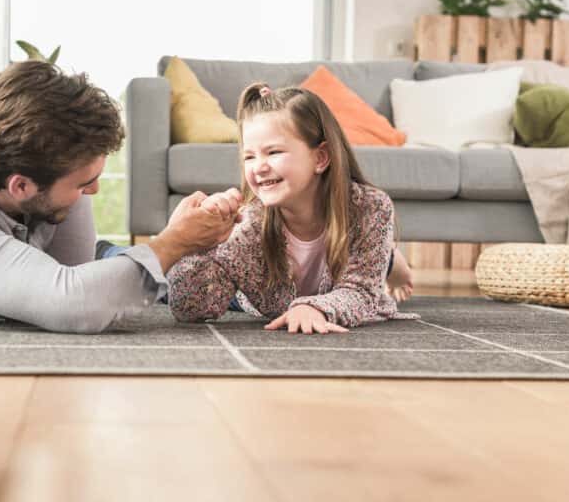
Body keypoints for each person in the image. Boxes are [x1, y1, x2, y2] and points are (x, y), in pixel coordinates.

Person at [0, 60, 239, 333]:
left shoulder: (50, 163)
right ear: (21, 186)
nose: (95, 190)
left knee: (101, 265)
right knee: (107, 274)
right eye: (84, 184)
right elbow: (75, 304)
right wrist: (174, 243)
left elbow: (71, 269)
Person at [167, 83, 415, 334]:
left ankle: (390, 258)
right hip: (255, 295)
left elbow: (360, 291)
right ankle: (388, 256)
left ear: (320, 158)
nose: (258, 167)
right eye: (249, 156)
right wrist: (197, 243)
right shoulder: (248, 227)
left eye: (273, 152)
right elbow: (191, 306)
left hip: (350, 255)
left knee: (370, 257)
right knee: (163, 288)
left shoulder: (369, 208)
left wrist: (314, 308)